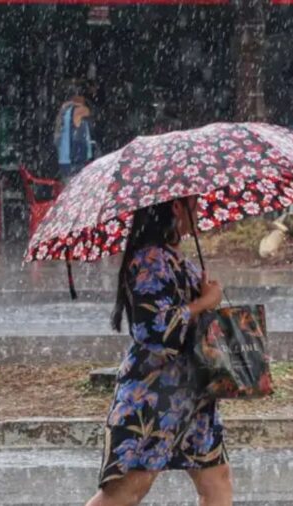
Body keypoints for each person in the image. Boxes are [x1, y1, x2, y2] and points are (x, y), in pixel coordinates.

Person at [86, 197, 232, 506]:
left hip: (190, 396)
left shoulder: (173, 257)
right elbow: (154, 332)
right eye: (194, 202)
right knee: (128, 490)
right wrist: (206, 301)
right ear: (177, 208)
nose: (201, 207)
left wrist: (205, 294)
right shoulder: (149, 260)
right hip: (152, 397)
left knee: (216, 480)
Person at [54, 87, 94, 180]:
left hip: (65, 159)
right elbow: (89, 111)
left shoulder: (64, 111)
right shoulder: (77, 110)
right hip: (74, 160)